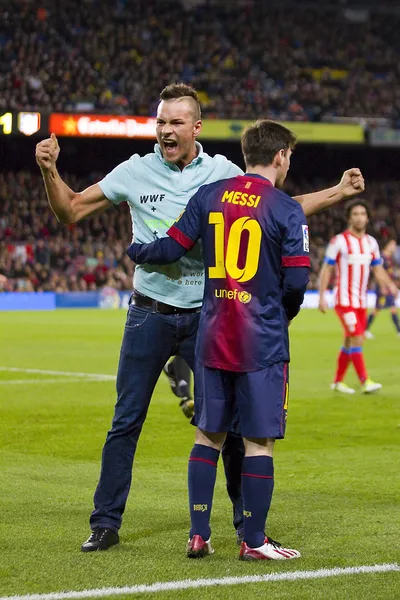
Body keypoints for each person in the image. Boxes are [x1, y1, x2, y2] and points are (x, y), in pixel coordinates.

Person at [35, 83, 365, 552]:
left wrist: (336, 192)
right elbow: (68, 209)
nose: (165, 130)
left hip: (205, 318)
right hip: (148, 313)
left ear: (196, 127)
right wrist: (50, 171)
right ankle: (105, 522)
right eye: (160, 122)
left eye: (174, 123)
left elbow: (275, 207)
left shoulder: (221, 172)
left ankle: (244, 526)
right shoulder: (134, 170)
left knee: (226, 426)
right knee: (125, 421)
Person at [126, 120, 309, 560]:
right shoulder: (285, 209)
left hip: (211, 334)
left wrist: (136, 251)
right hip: (260, 341)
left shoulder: (210, 195)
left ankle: (199, 533)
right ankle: (254, 541)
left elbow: (170, 248)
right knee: (258, 442)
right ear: (281, 155)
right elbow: (298, 281)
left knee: (208, 437)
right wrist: (280, 314)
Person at [318, 202, 398, 394]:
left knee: (349, 341)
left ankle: (337, 382)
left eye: (363, 213)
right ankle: (365, 381)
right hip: (343, 301)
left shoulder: (371, 243)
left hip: (361, 301)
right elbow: (327, 269)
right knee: (357, 337)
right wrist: (322, 296)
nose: (359, 217)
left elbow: (378, 269)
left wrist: (390, 285)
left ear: (367, 218)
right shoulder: (338, 241)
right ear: (349, 218)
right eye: (355, 213)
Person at [365, 239, 400, 339]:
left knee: (381, 308)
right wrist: (382, 286)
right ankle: (364, 330)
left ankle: (365, 329)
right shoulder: (382, 257)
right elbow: (377, 272)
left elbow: (389, 273)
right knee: (384, 309)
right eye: (392, 245)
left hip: (388, 287)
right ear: (387, 245)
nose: (394, 247)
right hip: (383, 288)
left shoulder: (389, 258)